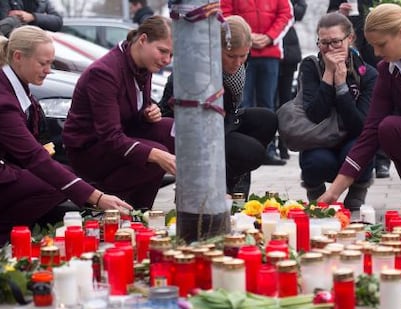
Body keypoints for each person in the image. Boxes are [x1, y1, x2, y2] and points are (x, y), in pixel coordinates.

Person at [0, 25, 132, 245]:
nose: (49, 70)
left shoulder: (15, 83)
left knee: (64, 176)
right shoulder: (4, 100)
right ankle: (6, 236)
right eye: (43, 63)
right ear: (18, 57)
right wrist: (97, 198)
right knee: (52, 184)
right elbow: (33, 157)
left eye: (51, 63)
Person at [62, 16, 175, 211]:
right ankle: (107, 202)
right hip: (90, 150)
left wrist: (148, 111)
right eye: (163, 51)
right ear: (142, 40)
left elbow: (132, 107)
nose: (167, 60)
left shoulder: (142, 64)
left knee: (171, 130)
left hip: (118, 138)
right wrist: (156, 155)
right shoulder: (104, 72)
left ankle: (142, 211)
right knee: (157, 155)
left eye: (171, 54)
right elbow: (109, 135)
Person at [158, 15, 278, 197]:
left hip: (224, 119)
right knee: (252, 152)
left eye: (243, 55)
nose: (238, 63)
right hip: (190, 129)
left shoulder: (239, 58)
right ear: (215, 47)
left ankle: (233, 182)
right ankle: (209, 187)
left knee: (266, 119)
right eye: (231, 56)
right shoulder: (196, 67)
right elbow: (189, 119)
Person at [319, 4, 401, 206]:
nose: (377, 53)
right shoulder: (388, 70)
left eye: (381, 44)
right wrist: (334, 192)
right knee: (388, 128)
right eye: (372, 46)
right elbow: (370, 131)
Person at [299, 12, 377, 210]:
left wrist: (342, 86)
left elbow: (360, 126)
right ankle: (316, 192)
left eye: (336, 42)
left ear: (350, 38)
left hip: (352, 139)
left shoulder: (368, 74)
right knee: (315, 161)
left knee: (358, 151)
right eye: (324, 43)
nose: (330, 48)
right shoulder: (310, 67)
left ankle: (358, 190)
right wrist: (328, 75)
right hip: (321, 137)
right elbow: (314, 115)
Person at [220, 0, 293, 166]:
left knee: (268, 103)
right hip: (240, 46)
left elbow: (286, 14)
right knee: (241, 102)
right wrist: (247, 36)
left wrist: (270, 37)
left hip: (270, 51)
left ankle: (268, 150)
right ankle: (239, 147)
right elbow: (224, 14)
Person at [327, 0, 391, 179]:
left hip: (377, 51)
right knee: (366, 111)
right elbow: (329, 18)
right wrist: (339, 13)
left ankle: (382, 160)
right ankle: (359, 158)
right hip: (349, 52)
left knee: (384, 106)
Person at [277, 0, 308, 160]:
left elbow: (300, 10)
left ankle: (283, 145)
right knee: (265, 100)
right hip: (267, 50)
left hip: (288, 49)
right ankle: (268, 145)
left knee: (285, 101)